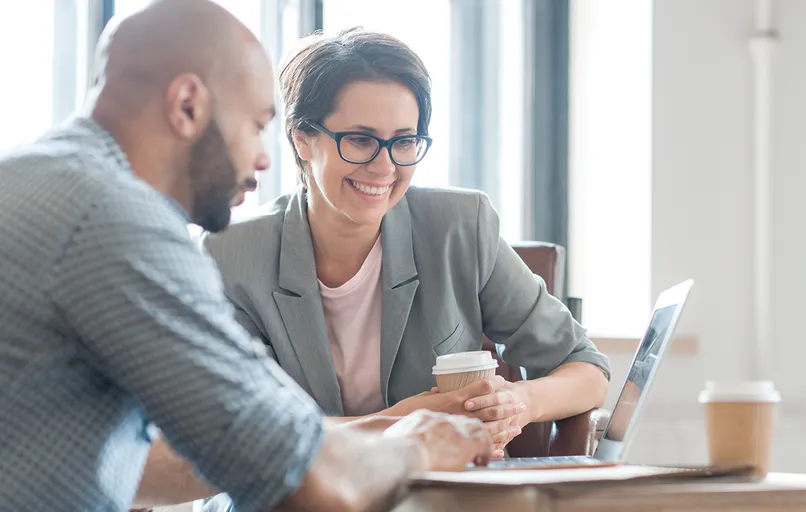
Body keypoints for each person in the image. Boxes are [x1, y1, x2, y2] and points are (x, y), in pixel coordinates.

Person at [0, 1, 492, 511]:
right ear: (188, 104)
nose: (261, 157)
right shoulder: (115, 219)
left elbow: (138, 469)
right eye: (256, 125)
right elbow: (306, 486)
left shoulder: (35, 179)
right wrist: (418, 446)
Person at [199, 28, 611, 455]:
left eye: (404, 141)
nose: (384, 166)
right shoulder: (231, 256)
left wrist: (518, 403)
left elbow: (586, 368)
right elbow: (244, 432)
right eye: (360, 140)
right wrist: (401, 423)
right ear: (302, 138)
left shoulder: (459, 228)